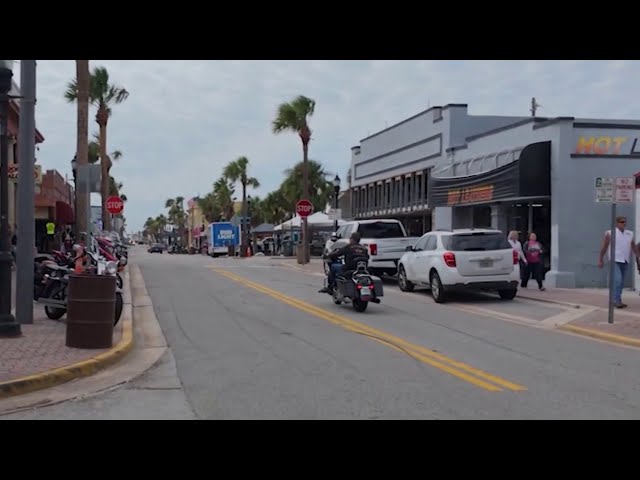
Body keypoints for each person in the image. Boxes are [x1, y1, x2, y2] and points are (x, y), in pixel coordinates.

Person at [598, 216, 639, 308]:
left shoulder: (630, 234)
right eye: (622, 221)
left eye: (625, 221)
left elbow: (633, 247)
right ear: (617, 223)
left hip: (625, 260)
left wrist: (638, 256)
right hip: (614, 260)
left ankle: (617, 300)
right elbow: (604, 247)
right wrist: (600, 259)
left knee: (621, 282)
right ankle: (616, 300)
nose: (624, 223)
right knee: (618, 280)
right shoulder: (610, 233)